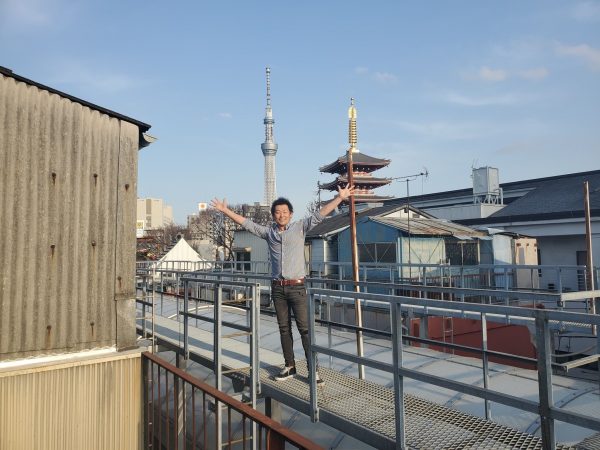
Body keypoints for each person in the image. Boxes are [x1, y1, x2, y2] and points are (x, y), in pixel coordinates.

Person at [210, 184, 354, 384]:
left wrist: (339, 198)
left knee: (305, 329)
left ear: (291, 214)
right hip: (278, 287)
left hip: (297, 287)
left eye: (285, 212)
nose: (281, 215)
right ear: (273, 215)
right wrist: (225, 211)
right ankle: (289, 366)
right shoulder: (269, 233)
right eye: (277, 212)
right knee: (284, 328)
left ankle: (313, 370)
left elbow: (320, 215)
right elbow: (247, 224)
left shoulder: (300, 227)